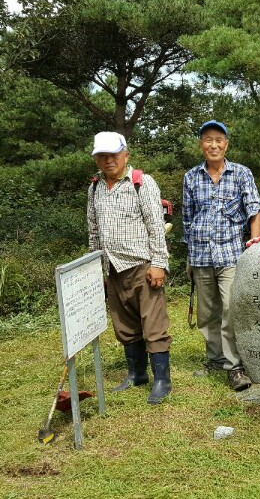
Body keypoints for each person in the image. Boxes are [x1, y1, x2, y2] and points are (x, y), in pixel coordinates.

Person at [87, 131, 172, 405]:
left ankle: (162, 380)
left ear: (126, 154)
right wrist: (96, 270)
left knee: (153, 324)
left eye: (113, 154)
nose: (108, 160)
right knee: (124, 325)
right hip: (112, 268)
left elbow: (156, 226)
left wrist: (159, 264)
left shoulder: (141, 183)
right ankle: (137, 374)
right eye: (102, 155)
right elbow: (94, 231)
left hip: (142, 266)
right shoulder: (95, 188)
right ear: (96, 159)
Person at [182, 120, 260, 392]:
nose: (213, 145)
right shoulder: (191, 177)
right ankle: (214, 358)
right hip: (201, 254)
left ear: (226, 144)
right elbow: (187, 218)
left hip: (231, 254)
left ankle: (234, 365)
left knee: (230, 308)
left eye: (219, 140)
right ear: (201, 144)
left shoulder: (241, 174)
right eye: (208, 140)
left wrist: (254, 243)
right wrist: (189, 256)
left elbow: (254, 209)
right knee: (207, 312)